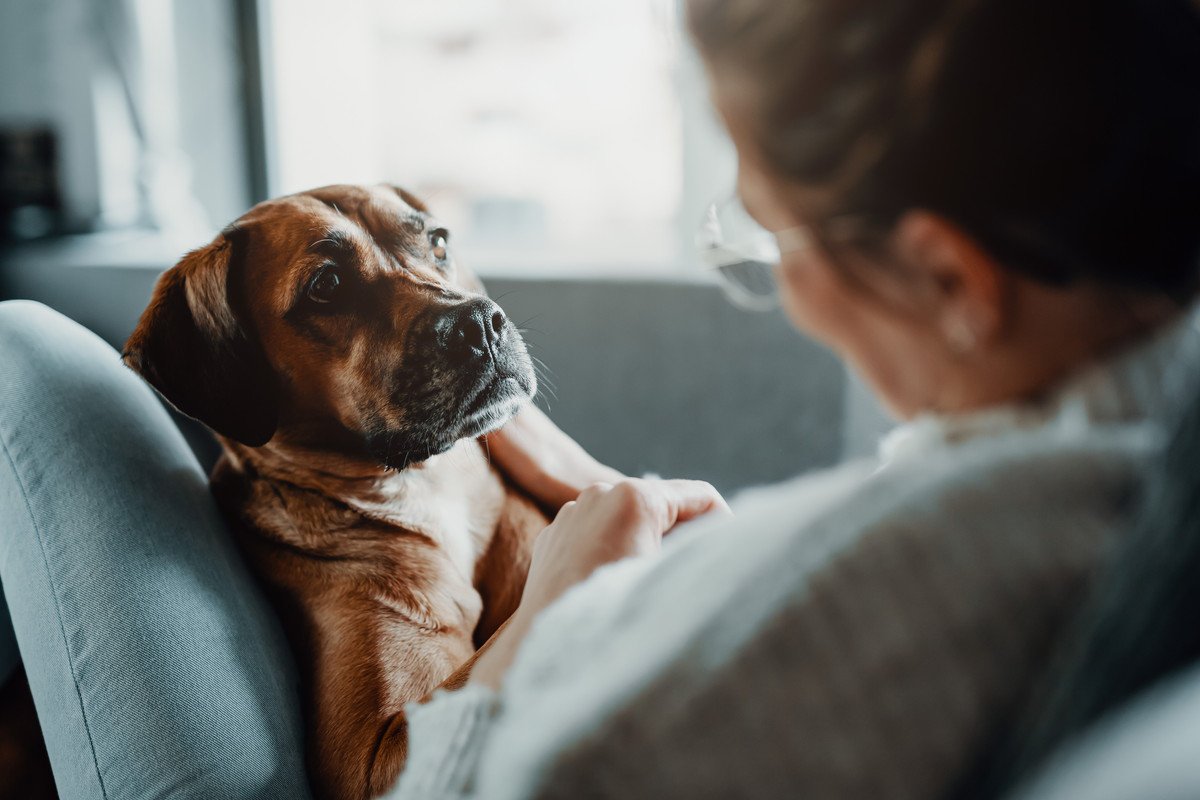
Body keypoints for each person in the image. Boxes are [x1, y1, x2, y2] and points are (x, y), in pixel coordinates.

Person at [382, 0, 1200, 798]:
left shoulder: (871, 602)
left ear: (951, 281)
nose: (792, 296)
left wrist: (552, 617)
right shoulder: (1140, 439)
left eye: (771, 232)